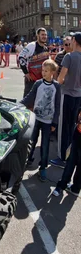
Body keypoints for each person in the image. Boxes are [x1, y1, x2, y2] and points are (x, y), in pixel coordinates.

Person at [21, 59, 61, 182]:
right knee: (31, 141)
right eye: (42, 70)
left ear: (53, 72)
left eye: (46, 71)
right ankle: (28, 160)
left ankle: (42, 168)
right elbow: (30, 97)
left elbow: (58, 105)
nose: (43, 73)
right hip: (36, 119)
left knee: (44, 145)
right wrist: (19, 105)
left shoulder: (56, 87)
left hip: (48, 122)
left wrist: (54, 122)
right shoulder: (38, 84)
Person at [52, 32, 81, 168]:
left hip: (67, 94)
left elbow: (61, 78)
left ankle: (62, 157)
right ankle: (70, 156)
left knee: (63, 127)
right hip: (78, 96)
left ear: (74, 40)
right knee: (73, 127)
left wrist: (60, 82)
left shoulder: (69, 56)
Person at [19, 28, 50, 98]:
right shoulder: (32, 45)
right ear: (37, 35)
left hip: (42, 80)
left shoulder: (46, 48)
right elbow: (21, 57)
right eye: (42, 35)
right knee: (27, 103)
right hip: (31, 80)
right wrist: (26, 73)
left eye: (45, 35)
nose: (44, 36)